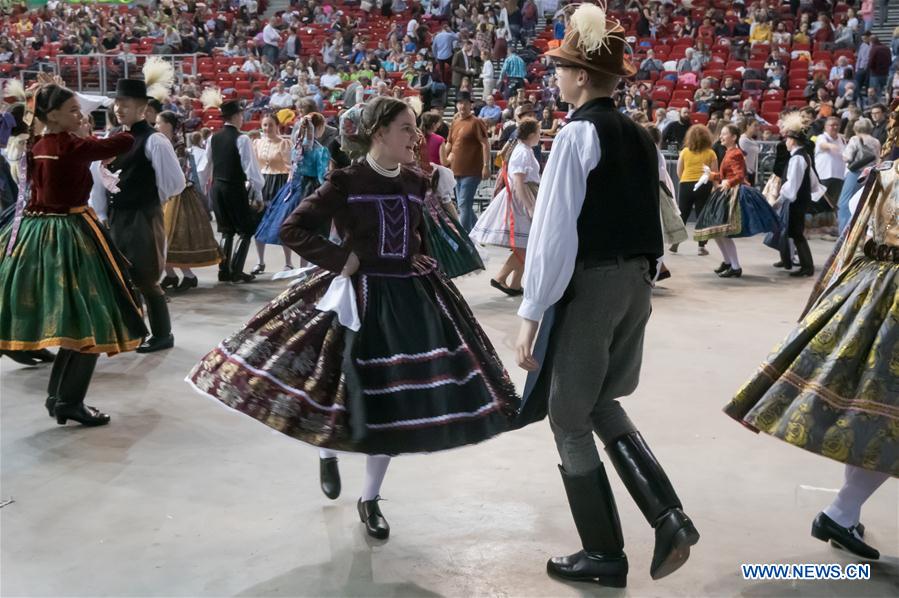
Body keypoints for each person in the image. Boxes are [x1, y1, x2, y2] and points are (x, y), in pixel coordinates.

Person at [187, 97, 519, 540]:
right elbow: (293, 229)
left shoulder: (417, 181)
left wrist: (421, 260)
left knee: (390, 402)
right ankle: (326, 450)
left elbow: (417, 236)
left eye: (415, 128)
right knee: (336, 386)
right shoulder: (346, 181)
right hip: (358, 298)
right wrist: (339, 258)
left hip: (407, 299)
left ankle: (370, 498)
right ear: (379, 132)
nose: (415, 138)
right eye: (405, 128)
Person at [512, 5, 699, 588]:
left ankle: (603, 553)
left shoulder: (575, 134)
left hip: (592, 284)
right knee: (597, 402)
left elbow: (553, 231)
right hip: (636, 282)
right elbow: (661, 211)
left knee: (567, 415)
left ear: (583, 78)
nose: (558, 77)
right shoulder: (643, 138)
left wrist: (531, 312)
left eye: (564, 69)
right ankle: (668, 517)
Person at [724, 112, 898, 561]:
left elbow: (852, 241)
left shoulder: (881, 176)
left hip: (870, 289)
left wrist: (831, 298)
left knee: (870, 412)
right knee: (885, 418)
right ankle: (841, 511)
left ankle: (847, 509)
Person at [0, 84, 146, 426]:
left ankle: (60, 398)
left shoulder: (37, 144)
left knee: (72, 322)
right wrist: (132, 120)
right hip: (70, 233)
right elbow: (122, 143)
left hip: (38, 233)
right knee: (91, 319)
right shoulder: (68, 146)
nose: (80, 116)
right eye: (73, 111)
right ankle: (67, 400)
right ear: (52, 116)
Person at [105, 78, 185, 353]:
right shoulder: (114, 137)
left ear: (141, 108)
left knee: (146, 275)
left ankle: (163, 334)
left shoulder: (155, 140)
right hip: (118, 215)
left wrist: (150, 200)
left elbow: (175, 182)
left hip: (143, 215)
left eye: (124, 104)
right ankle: (135, 332)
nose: (118, 108)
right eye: (116, 103)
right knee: (123, 276)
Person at [693, 124, 779, 278]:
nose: (721, 136)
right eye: (721, 134)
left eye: (725, 134)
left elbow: (739, 176)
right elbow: (726, 174)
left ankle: (735, 266)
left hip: (733, 194)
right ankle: (728, 262)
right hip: (725, 192)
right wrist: (711, 176)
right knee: (718, 232)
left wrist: (727, 182)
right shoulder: (729, 152)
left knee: (723, 232)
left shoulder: (735, 153)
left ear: (733, 137)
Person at [470, 118, 541, 296]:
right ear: (532, 134)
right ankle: (501, 277)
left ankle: (516, 284)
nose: (540, 136)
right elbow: (519, 181)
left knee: (524, 244)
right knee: (525, 245)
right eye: (538, 132)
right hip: (521, 198)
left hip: (523, 195)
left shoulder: (523, 150)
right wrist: (530, 206)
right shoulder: (522, 152)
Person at [254, 113, 330, 270]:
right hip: (311, 188)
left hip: (294, 187)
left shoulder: (297, 148)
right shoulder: (320, 150)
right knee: (310, 229)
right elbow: (321, 175)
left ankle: (289, 263)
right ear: (319, 128)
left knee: (288, 223)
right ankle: (304, 267)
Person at [156, 111, 221, 291]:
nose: (156, 126)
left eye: (159, 122)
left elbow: (176, 173)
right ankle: (170, 274)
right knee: (162, 238)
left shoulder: (178, 146)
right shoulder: (164, 143)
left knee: (173, 238)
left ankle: (188, 275)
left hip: (177, 195)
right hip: (165, 194)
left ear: (169, 125)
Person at [205, 99, 266, 283]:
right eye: (241, 115)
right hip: (234, 187)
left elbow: (205, 167)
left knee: (226, 230)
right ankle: (237, 271)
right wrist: (258, 193)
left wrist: (203, 189)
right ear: (236, 116)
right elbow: (251, 170)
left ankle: (224, 271)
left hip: (217, 187)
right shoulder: (242, 138)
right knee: (246, 229)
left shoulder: (212, 137)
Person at [413, 132, 484, 279]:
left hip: (431, 222)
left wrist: (457, 228)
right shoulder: (393, 173)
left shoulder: (434, 171)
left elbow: (446, 201)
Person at [776, 124, 821, 278]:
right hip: (802, 199)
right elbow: (813, 181)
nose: (785, 142)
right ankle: (799, 263)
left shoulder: (796, 159)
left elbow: (792, 185)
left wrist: (781, 199)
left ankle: (807, 267)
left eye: (787, 139)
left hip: (795, 201)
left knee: (797, 234)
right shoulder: (805, 156)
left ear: (793, 141)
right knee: (796, 233)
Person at [443, 91, 490, 231]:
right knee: (464, 204)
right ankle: (478, 232)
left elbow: (485, 143)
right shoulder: (455, 122)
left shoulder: (476, 122)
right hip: (455, 169)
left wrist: (486, 165)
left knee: (463, 203)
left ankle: (464, 238)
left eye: (465, 103)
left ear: (471, 105)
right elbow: (449, 143)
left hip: (472, 170)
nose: (462, 106)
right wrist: (442, 160)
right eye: (459, 103)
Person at [251, 114, 292, 274]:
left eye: (270, 125)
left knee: (282, 223)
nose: (267, 128)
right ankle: (260, 261)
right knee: (258, 223)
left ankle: (288, 262)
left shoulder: (284, 144)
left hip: (279, 182)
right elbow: (254, 165)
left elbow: (290, 167)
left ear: (277, 126)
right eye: (265, 125)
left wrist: (289, 187)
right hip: (262, 182)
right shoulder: (257, 143)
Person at [673, 124, 718, 255]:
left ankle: (676, 241)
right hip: (703, 185)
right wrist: (715, 187)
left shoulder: (685, 152)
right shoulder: (711, 153)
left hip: (686, 184)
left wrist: (686, 180)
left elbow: (678, 171)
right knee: (701, 216)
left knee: (683, 214)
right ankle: (701, 247)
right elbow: (714, 173)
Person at [837, 118, 881, 232]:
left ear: (856, 128)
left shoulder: (855, 139)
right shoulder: (876, 141)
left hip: (855, 174)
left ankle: (845, 231)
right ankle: (860, 232)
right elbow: (878, 159)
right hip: (870, 175)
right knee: (862, 203)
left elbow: (847, 157)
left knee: (845, 203)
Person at [814, 116, 847, 218]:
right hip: (824, 175)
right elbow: (823, 145)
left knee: (833, 202)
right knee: (820, 200)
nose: (835, 127)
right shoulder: (822, 137)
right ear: (826, 127)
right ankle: (816, 223)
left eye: (837, 125)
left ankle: (829, 224)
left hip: (839, 175)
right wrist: (832, 146)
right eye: (832, 125)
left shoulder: (842, 139)